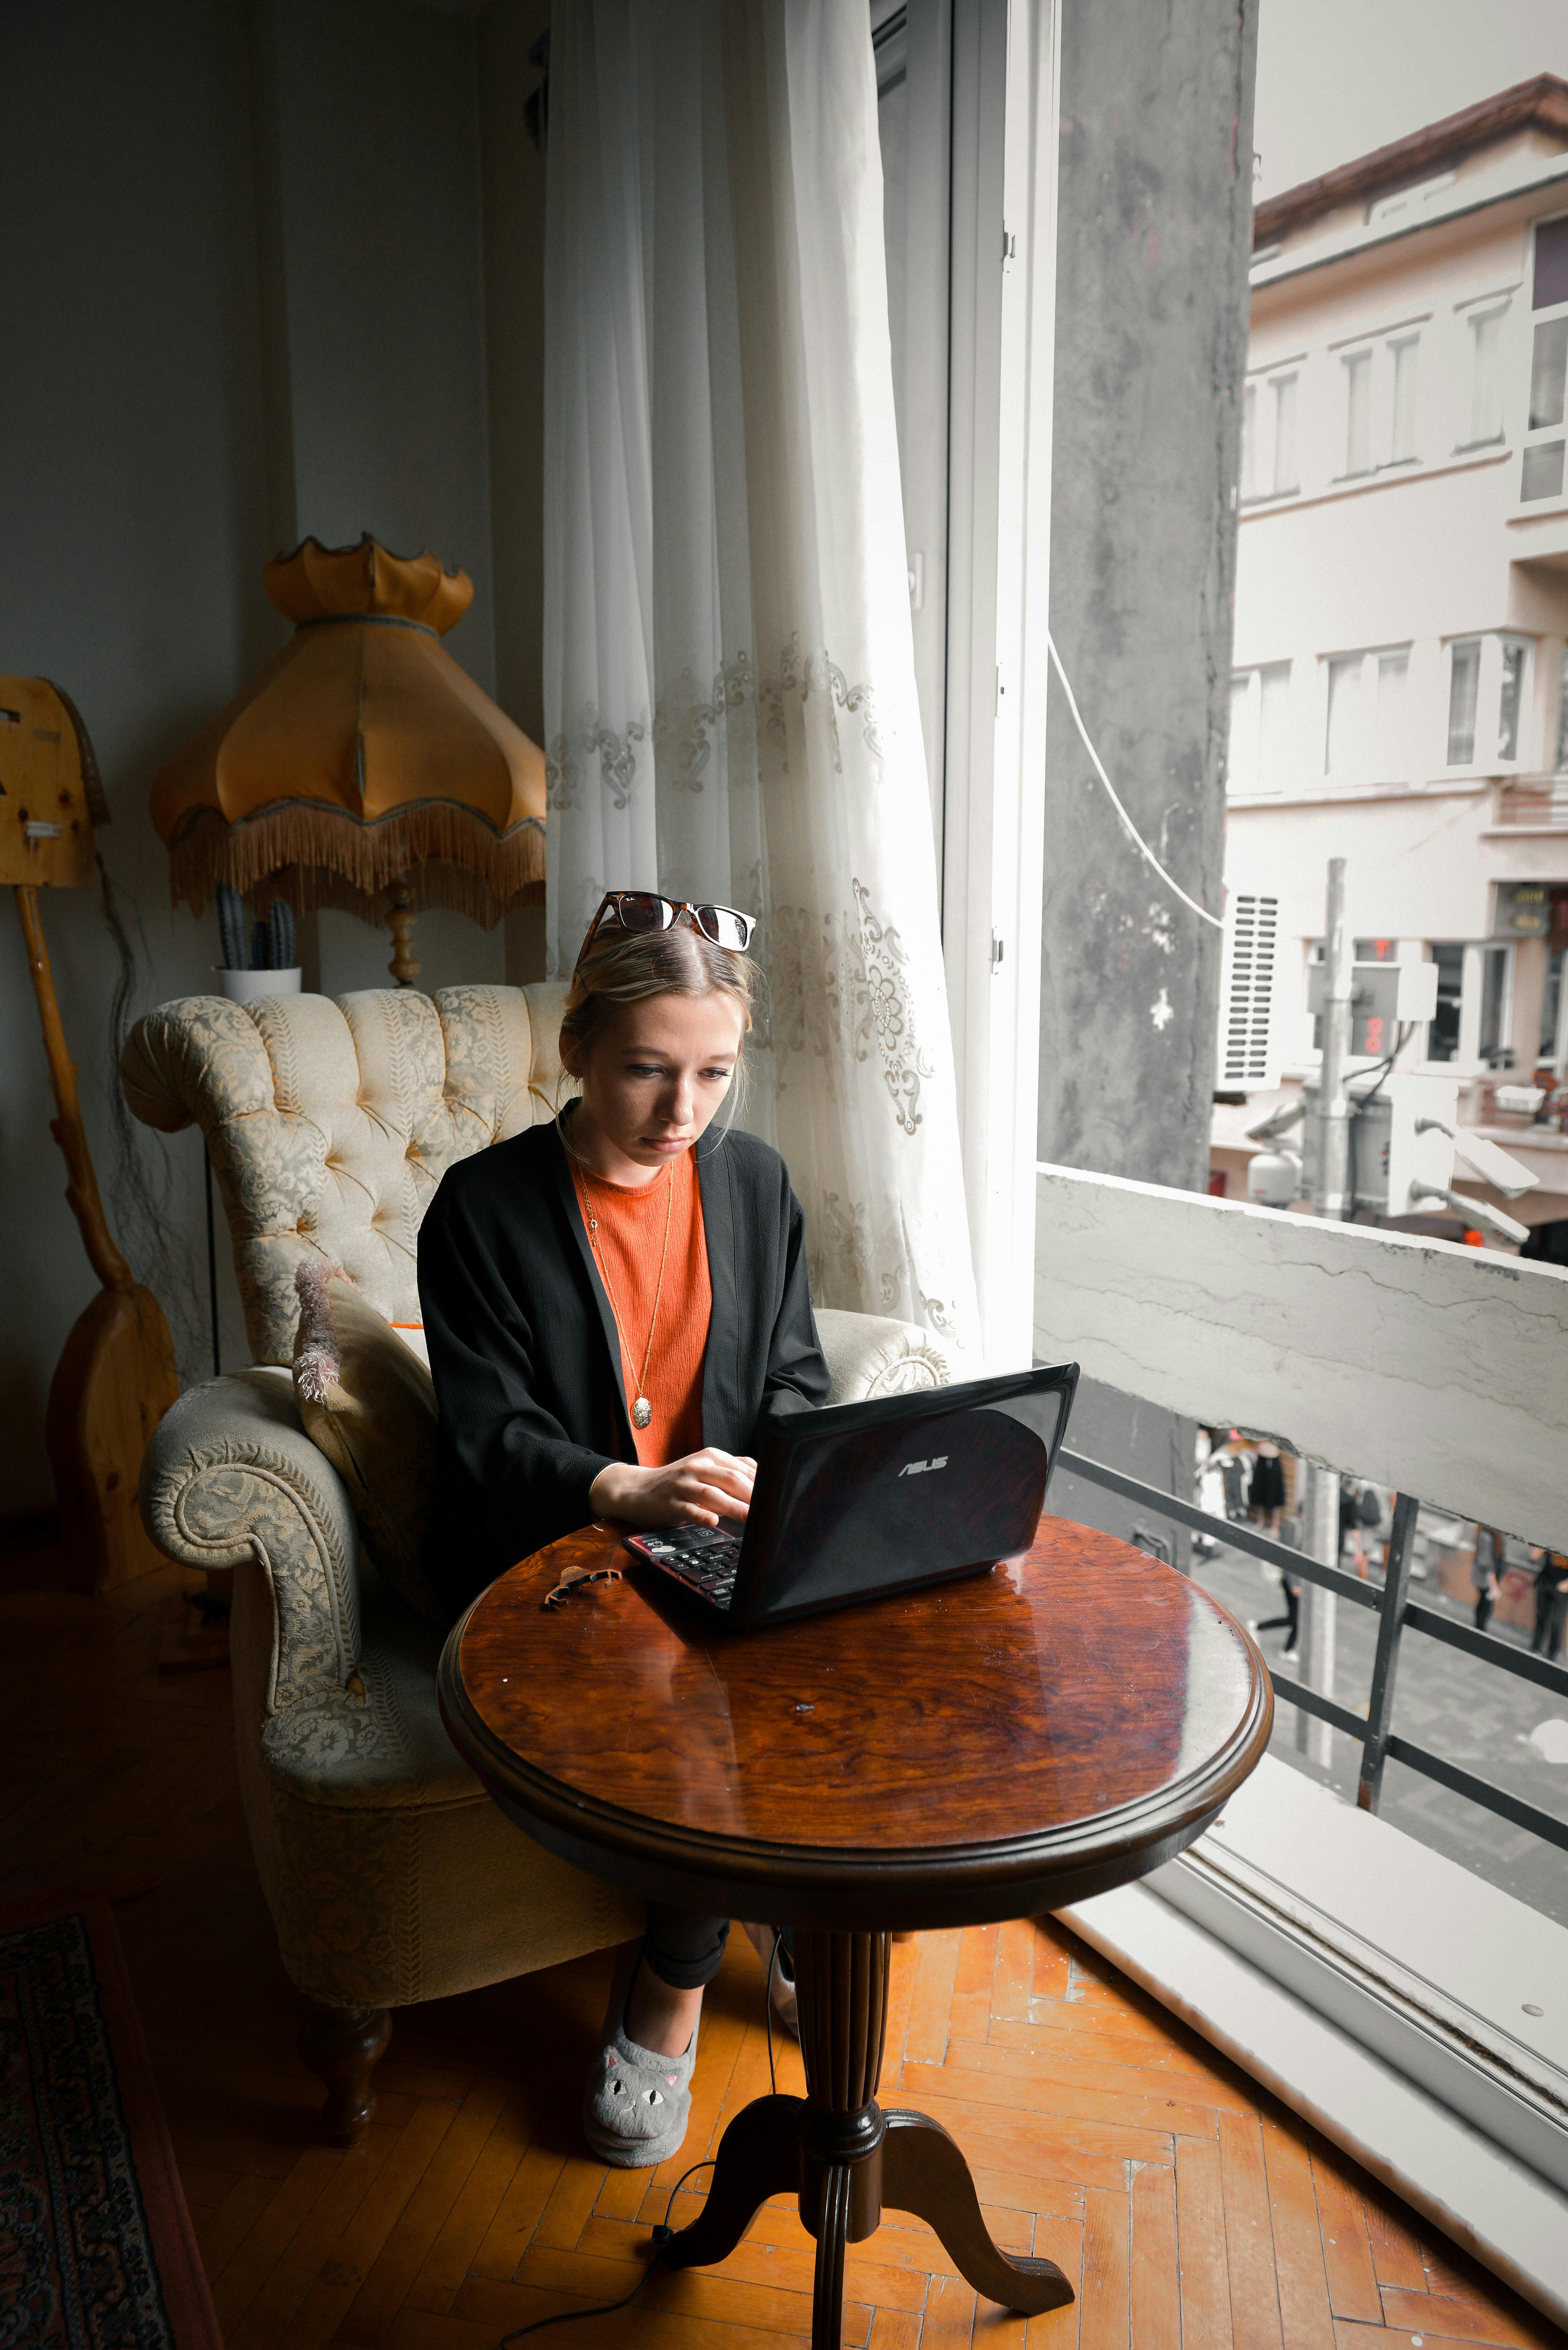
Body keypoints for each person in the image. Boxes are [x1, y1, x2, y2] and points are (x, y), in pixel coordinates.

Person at [418, 890, 831, 2170]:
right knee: (699, 1693)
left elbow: (796, 1384)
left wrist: (764, 1488)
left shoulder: (753, 1183)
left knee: (864, 1639)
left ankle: (806, 1916)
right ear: (577, 1052)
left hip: (714, 1539)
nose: (682, 1113)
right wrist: (624, 1490)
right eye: (648, 1070)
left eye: (713, 1072)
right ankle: (672, 1987)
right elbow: (488, 1444)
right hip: (555, 1556)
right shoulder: (481, 1211)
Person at [1533, 1551, 1568, 1661]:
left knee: (1557, 1623)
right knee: (1541, 1618)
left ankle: (1552, 1654)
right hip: (1546, 1583)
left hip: (1563, 1589)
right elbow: (1533, 1556)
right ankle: (1535, 1649)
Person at [1471, 1525, 1503, 1633]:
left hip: (1487, 1576)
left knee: (1484, 1605)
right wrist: (1494, 1584)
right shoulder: (1486, 1535)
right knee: (1485, 1607)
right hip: (1486, 1578)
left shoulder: (1489, 1534)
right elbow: (1486, 1562)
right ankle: (1480, 1631)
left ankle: (1479, 1630)